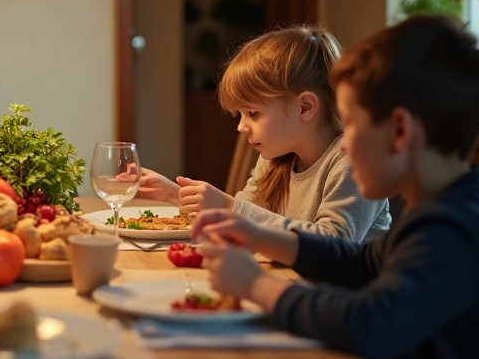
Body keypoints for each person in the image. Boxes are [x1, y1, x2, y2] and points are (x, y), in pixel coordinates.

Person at [194, 15, 479, 359]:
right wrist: (260, 235)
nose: (345, 143)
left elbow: (367, 324)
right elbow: (360, 262)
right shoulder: (444, 207)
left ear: (400, 131)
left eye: (351, 125)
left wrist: (256, 285)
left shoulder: (454, 231)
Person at [138, 25, 390, 242]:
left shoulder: (353, 162)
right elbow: (249, 216)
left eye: (253, 114)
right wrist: (174, 193)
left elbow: (334, 244)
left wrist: (230, 207)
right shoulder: (276, 157)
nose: (241, 127)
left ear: (305, 107)